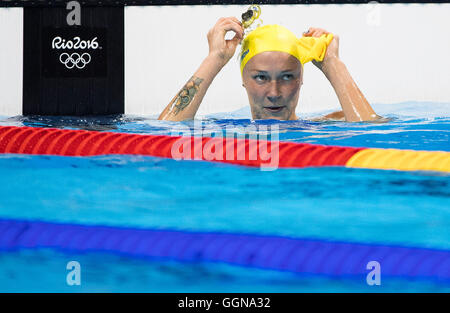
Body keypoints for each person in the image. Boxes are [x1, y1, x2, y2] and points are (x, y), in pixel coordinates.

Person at [158, 17, 381, 122]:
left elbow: (372, 135)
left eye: (287, 76)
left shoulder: (330, 124)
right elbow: (165, 133)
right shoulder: (225, 130)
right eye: (261, 78)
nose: (274, 93)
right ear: (243, 78)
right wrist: (214, 59)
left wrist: (333, 64)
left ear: (301, 78)